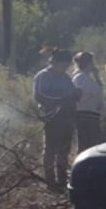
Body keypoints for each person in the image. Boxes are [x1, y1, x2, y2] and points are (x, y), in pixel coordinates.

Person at [33, 47, 81, 190]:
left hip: (67, 117)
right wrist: (61, 100)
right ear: (54, 62)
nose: (65, 68)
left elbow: (72, 94)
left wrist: (76, 95)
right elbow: (39, 96)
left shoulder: (66, 77)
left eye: (67, 65)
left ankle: (62, 179)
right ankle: (50, 181)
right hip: (51, 117)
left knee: (64, 150)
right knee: (50, 150)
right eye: (63, 65)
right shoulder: (43, 76)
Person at [72, 51, 105, 152]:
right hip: (84, 115)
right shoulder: (80, 78)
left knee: (93, 144)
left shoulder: (89, 78)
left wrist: (97, 76)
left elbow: (100, 91)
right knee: (85, 144)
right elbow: (82, 96)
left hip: (93, 115)